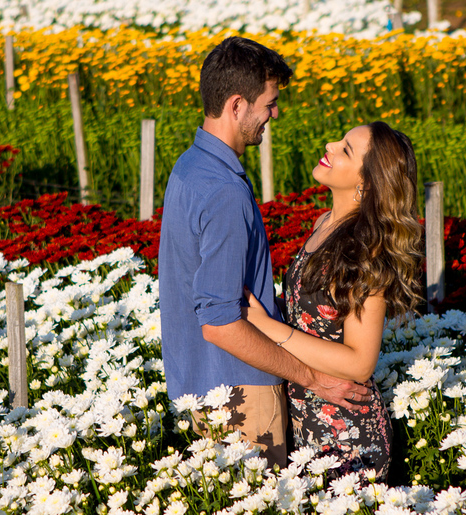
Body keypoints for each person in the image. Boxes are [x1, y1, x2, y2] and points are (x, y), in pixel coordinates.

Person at [158, 36, 371, 469]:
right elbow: (220, 324)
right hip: (242, 395)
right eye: (269, 103)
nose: (275, 113)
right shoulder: (224, 192)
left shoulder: (189, 167)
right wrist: (315, 379)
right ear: (237, 106)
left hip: (204, 383)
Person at [243, 121, 423, 481]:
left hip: (346, 435)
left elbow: (360, 363)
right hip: (307, 415)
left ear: (366, 182)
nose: (329, 144)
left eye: (345, 149)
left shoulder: (364, 249)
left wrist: (266, 327)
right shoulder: (325, 222)